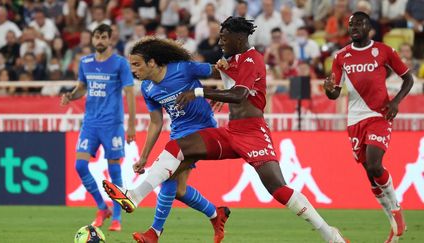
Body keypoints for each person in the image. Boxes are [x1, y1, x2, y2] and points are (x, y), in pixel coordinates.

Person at [103, 17, 348, 243]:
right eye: (219, 36)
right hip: (232, 132)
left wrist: (201, 92)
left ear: (239, 38)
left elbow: (239, 94)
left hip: (253, 133)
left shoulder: (253, 59)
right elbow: (228, 82)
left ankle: (330, 234)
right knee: (175, 148)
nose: (220, 41)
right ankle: (134, 196)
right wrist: (221, 92)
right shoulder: (231, 61)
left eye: (224, 37)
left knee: (280, 190)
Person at [127, 37, 230, 243]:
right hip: (179, 133)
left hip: (203, 129)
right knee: (179, 191)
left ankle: (154, 232)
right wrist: (144, 156)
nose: (133, 70)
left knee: (168, 177)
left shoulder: (184, 69)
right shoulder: (148, 88)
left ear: (152, 62)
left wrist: (223, 92)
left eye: (137, 64)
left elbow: (222, 70)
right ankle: (215, 213)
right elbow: (155, 123)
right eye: (131, 65)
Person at [323, 11, 413, 243]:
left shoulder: (383, 51)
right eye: (351, 24)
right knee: (370, 175)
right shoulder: (341, 56)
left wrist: (395, 102)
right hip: (355, 120)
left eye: (358, 24)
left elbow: (408, 78)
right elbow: (334, 94)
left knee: (375, 165)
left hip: (379, 115)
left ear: (368, 27)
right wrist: (328, 89)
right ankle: (393, 224)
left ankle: (396, 210)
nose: (354, 28)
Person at [60, 24, 136, 231]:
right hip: (90, 123)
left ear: (110, 39)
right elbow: (81, 88)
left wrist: (131, 124)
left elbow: (130, 92)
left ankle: (117, 217)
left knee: (114, 170)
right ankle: (102, 208)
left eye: (104, 37)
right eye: (97, 37)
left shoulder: (120, 63)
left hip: (112, 124)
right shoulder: (85, 62)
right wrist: (70, 95)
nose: (100, 40)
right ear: (92, 39)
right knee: (80, 166)